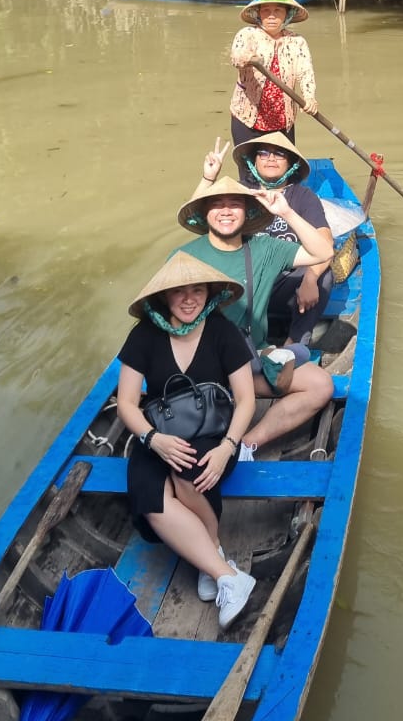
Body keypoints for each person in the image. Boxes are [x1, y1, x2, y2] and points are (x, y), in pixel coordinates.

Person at [116, 251, 257, 629]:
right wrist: (152, 438)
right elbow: (127, 404)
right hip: (159, 432)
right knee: (146, 493)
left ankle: (209, 561)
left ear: (209, 293)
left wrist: (228, 447)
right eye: (180, 292)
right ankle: (225, 572)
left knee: (187, 473)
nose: (190, 299)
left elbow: (246, 401)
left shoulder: (222, 330)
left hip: (214, 434)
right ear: (164, 297)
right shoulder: (144, 334)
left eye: (197, 290)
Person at [174, 174, 335, 457]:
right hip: (200, 367)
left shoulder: (265, 248)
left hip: (249, 360)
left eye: (234, 204)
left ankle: (246, 445)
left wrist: (285, 212)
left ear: (247, 212)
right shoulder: (184, 257)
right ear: (204, 213)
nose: (226, 211)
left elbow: (323, 251)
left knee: (321, 385)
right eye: (217, 205)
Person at [202, 134, 334, 349]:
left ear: (290, 164)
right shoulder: (239, 192)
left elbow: (325, 242)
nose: (270, 158)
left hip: (284, 285)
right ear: (253, 161)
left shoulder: (303, 196)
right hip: (242, 281)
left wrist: (310, 279)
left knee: (322, 275)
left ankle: (293, 347)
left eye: (279, 154)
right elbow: (198, 219)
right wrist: (208, 179)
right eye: (263, 152)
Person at [229, 0, 317, 151]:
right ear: (258, 14)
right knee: (249, 173)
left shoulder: (297, 41)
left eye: (278, 10)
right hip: (247, 117)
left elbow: (306, 73)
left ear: (287, 15)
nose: (271, 16)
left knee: (283, 172)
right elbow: (236, 56)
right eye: (266, 11)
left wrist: (309, 97)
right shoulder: (247, 34)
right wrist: (248, 58)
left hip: (282, 120)